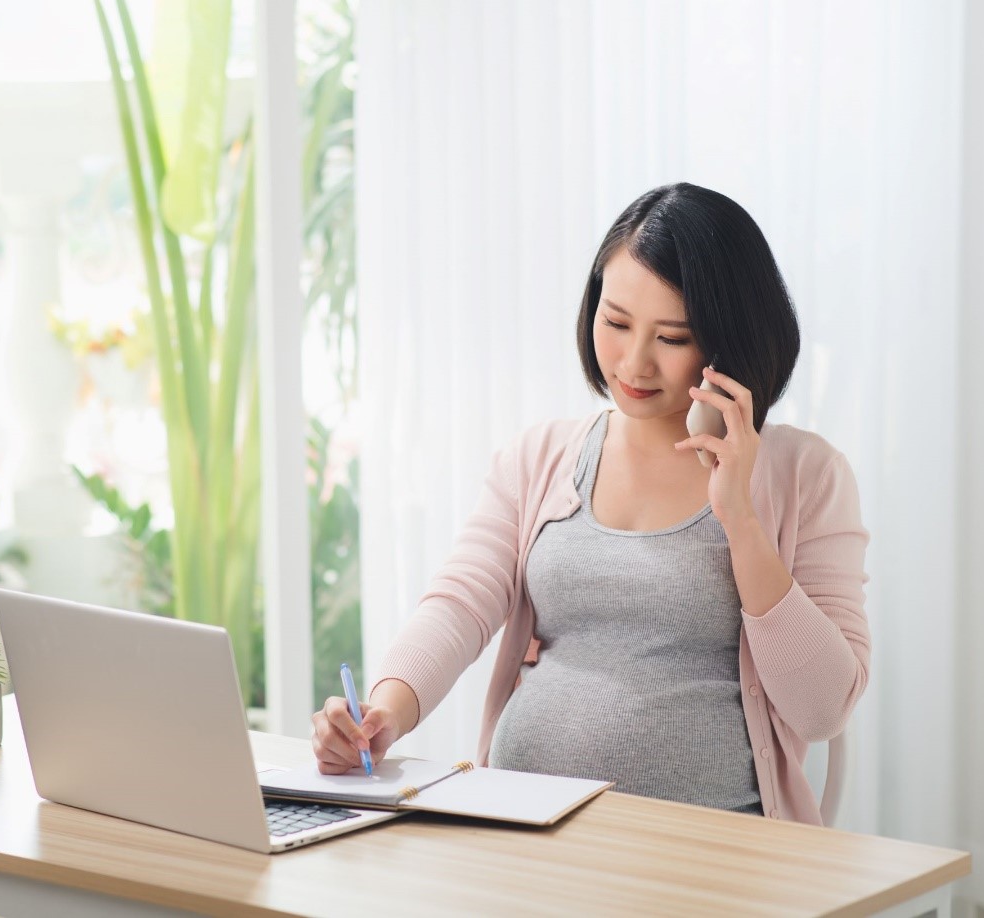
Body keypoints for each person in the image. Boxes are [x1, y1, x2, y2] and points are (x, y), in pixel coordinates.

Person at [311, 182, 869, 825]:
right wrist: (383, 712)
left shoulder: (807, 474)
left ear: (727, 339)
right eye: (616, 322)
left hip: (707, 851)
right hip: (520, 827)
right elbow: (459, 606)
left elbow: (824, 709)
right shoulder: (540, 456)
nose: (633, 362)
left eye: (673, 336)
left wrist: (739, 518)